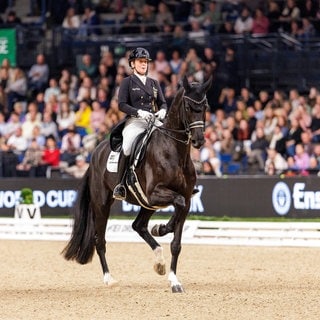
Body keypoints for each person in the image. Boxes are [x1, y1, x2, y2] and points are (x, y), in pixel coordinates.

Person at [113, 47, 167, 200]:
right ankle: (120, 184)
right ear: (133, 64)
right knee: (128, 145)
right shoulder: (127, 82)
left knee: (170, 139)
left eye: (145, 62)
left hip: (153, 120)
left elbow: (163, 103)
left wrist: (162, 111)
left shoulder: (154, 83)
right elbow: (121, 105)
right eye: (140, 62)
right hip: (135, 121)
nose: (144, 64)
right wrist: (138, 112)